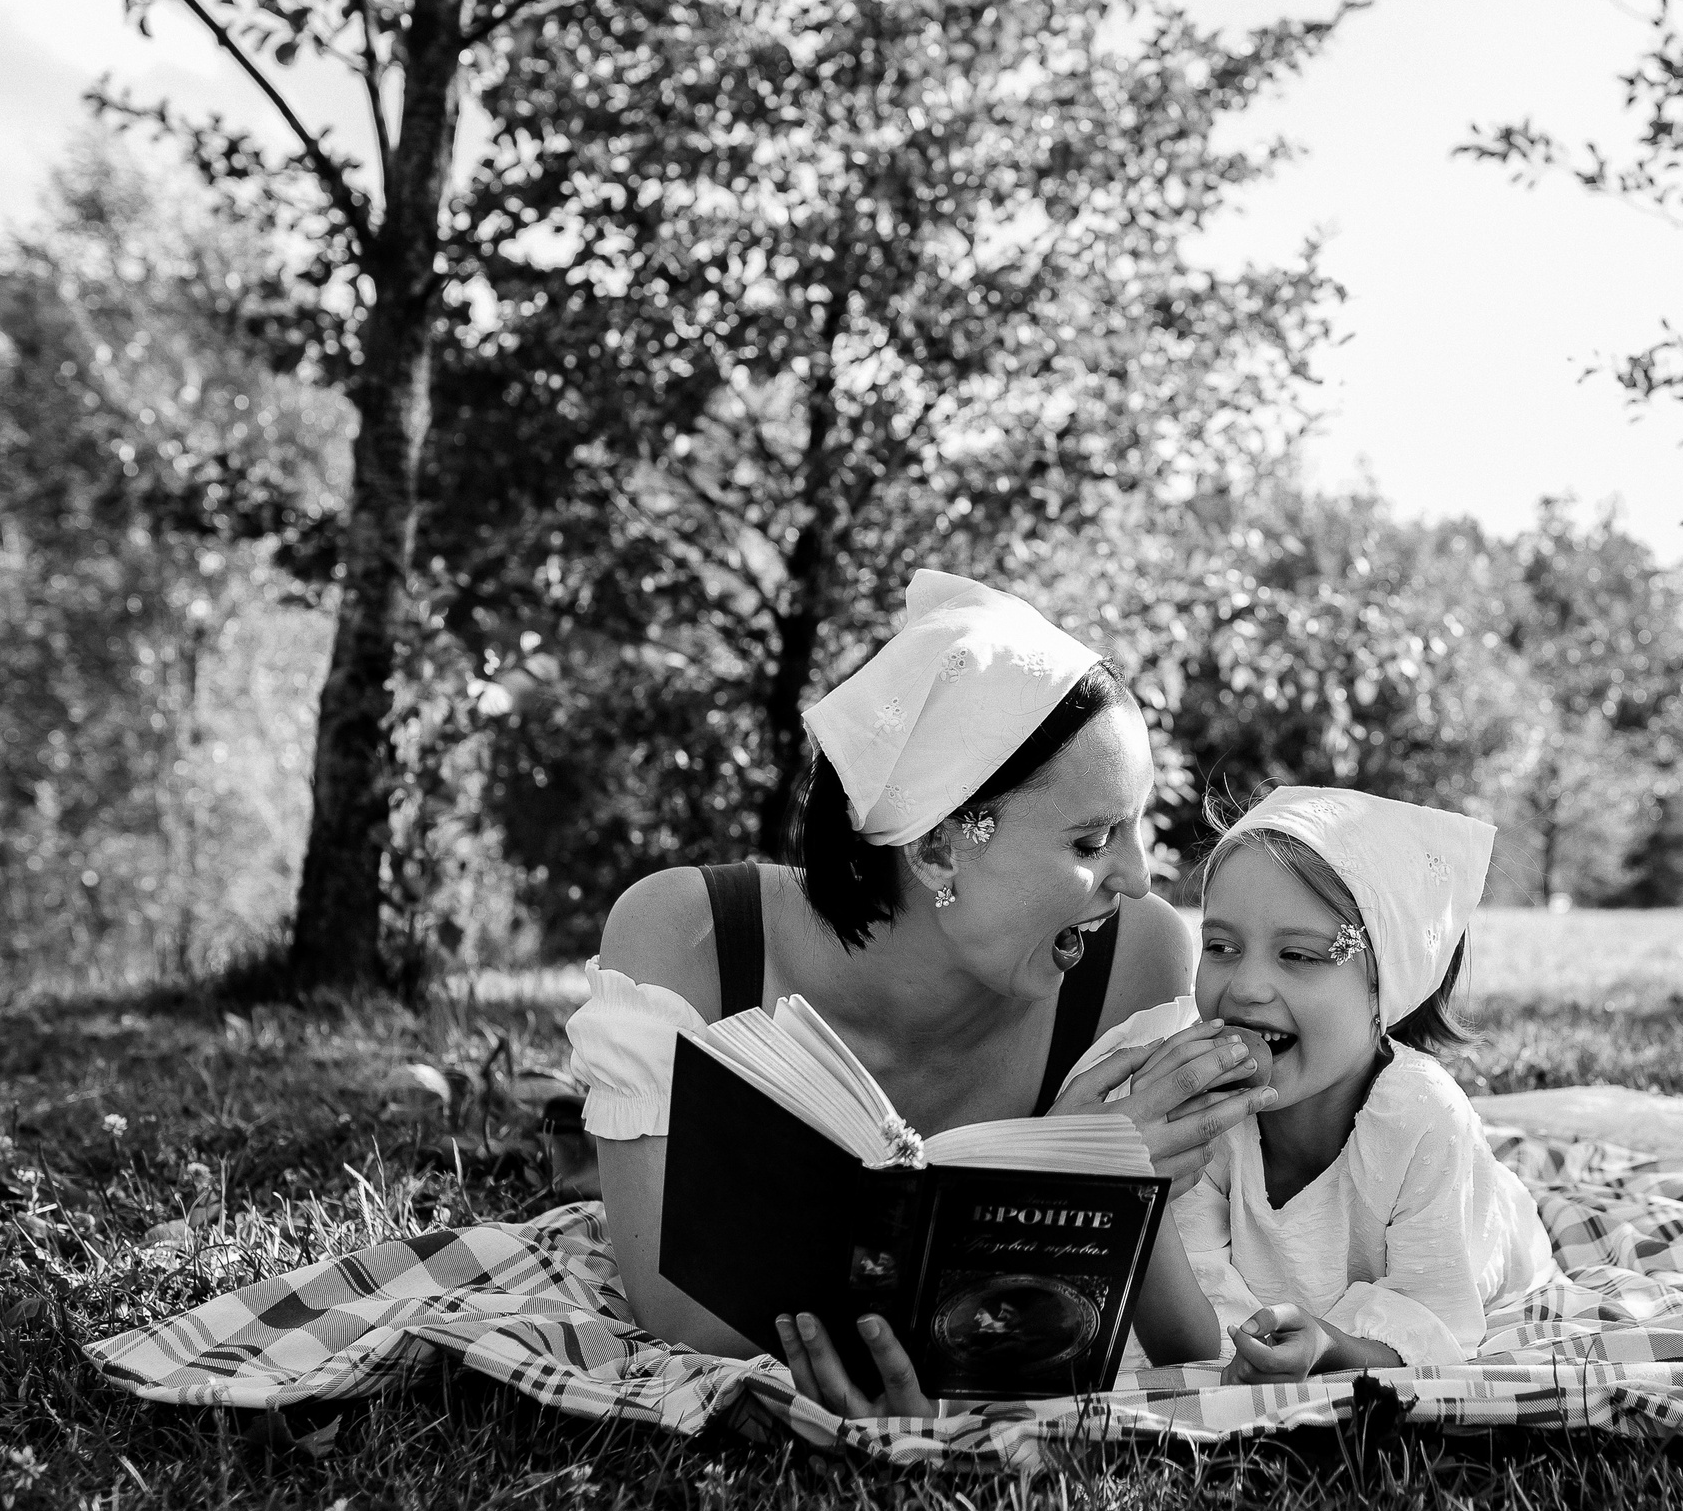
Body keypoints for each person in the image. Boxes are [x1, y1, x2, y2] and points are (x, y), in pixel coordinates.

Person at [566, 570, 1276, 1412]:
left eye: (1134, 827)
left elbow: (1152, 1335)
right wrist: (1045, 1185)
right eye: (1092, 838)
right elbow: (677, 1312)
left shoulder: (1137, 958)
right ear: (938, 849)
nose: (1133, 876)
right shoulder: (685, 939)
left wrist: (1095, 1183)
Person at [1108, 787, 1557, 1380]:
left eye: (1297, 955)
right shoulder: (1199, 1109)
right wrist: (1142, 1191)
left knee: (1498, 1220)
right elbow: (1193, 1341)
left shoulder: (1422, 1118)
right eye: (1220, 947)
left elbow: (1433, 1321)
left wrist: (1335, 1348)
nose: (1245, 987)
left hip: (1489, 1233)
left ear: (1384, 990)